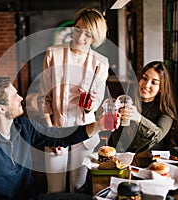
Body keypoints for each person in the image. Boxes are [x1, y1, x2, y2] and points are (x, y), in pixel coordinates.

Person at [0, 76, 115, 200]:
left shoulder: (23, 126)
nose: (21, 98)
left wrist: (99, 126)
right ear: (1, 108)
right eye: (15, 96)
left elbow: (59, 137)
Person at [38, 7, 109, 193]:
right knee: (54, 189)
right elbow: (43, 97)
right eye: (78, 30)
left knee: (78, 186)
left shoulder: (100, 63)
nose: (80, 38)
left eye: (88, 34)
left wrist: (90, 104)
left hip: (85, 132)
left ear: (95, 38)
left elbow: (96, 103)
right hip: (56, 129)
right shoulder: (54, 54)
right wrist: (49, 130)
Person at [108, 61, 178, 152]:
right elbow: (115, 139)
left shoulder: (165, 111)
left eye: (154, 82)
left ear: (161, 88)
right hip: (121, 159)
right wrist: (112, 113)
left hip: (152, 162)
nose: (146, 85)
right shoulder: (127, 103)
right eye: (144, 78)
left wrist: (138, 118)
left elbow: (157, 135)